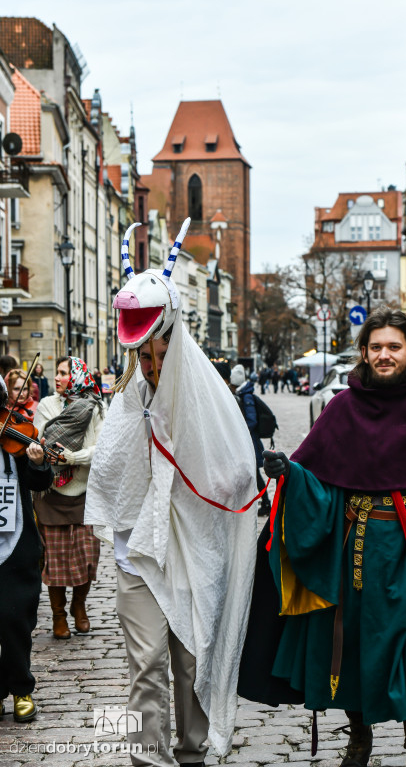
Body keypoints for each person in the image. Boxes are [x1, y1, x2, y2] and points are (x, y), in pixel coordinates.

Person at [238, 306, 406, 767]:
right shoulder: (343, 407)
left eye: (394, 347)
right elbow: (318, 477)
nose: (384, 355)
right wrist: (291, 474)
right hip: (356, 556)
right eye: (376, 347)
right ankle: (359, 739)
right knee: (353, 649)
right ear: (364, 352)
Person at [84, 274, 257, 765]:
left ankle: (191, 752)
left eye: (161, 355)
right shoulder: (129, 397)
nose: (153, 367)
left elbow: (235, 466)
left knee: (190, 659)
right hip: (138, 552)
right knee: (146, 665)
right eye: (144, 357)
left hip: (193, 550)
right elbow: (112, 467)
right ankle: (148, 759)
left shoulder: (205, 395)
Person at [33, 357, 104, 639]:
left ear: (77, 376)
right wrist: (45, 454)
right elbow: (39, 439)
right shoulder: (47, 405)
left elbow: (101, 448)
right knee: (56, 560)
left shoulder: (95, 407)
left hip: (85, 493)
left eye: (64, 373)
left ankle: (79, 606)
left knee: (88, 557)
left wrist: (72, 456)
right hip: (52, 493)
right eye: (58, 373)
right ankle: (58, 615)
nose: (59, 377)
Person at [0, 375, 54, 723]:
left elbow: (41, 482)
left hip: (15, 541)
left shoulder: (16, 435)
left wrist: (37, 461)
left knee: (15, 617)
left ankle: (21, 688)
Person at [231, 365, 272, 516]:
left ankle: (266, 502)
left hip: (251, 443)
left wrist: (240, 430)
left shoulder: (246, 396)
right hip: (248, 441)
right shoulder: (244, 394)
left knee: (254, 473)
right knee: (252, 473)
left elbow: (252, 420)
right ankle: (262, 501)